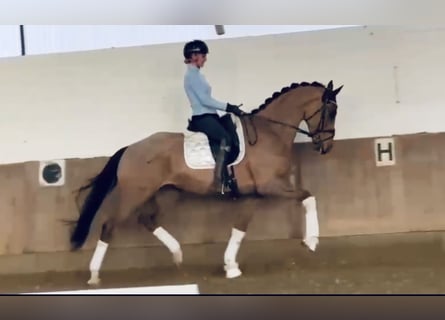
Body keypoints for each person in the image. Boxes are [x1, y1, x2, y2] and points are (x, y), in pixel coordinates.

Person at [183, 39, 245, 191]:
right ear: (194, 55)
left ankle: (229, 174)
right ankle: (219, 180)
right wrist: (228, 106)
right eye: (203, 55)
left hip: (210, 115)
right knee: (225, 138)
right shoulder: (192, 76)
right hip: (202, 117)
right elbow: (205, 100)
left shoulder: (197, 75)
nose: (205, 59)